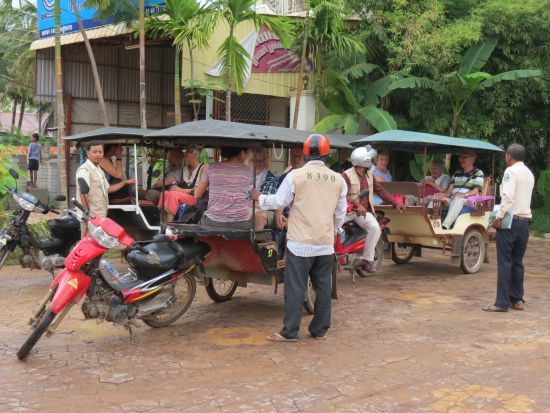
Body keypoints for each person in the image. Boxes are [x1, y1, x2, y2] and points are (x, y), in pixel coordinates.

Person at [251, 134, 347, 342]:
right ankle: (319, 330)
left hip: (299, 243)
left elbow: (280, 200)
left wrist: (260, 198)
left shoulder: (296, 176)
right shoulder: (338, 179)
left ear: (305, 154)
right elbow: (340, 213)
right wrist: (334, 231)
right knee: (323, 288)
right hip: (324, 244)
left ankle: (290, 331)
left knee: (295, 287)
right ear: (326, 154)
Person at [483, 144, 534, 312]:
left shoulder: (510, 172)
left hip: (510, 222)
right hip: (524, 222)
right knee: (517, 262)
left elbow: (508, 198)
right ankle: (517, 299)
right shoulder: (529, 173)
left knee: (505, 262)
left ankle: (501, 303)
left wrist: (498, 217)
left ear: (509, 156)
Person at [342, 146, 406, 273]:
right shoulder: (346, 175)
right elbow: (343, 195)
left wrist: (395, 203)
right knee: (334, 227)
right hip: (347, 211)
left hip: (363, 213)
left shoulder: (370, 175)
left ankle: (367, 260)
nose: (362, 169)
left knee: (375, 228)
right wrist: (356, 205)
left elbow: (380, 191)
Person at [75, 141, 135, 234]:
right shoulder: (84, 170)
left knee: (99, 245)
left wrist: (124, 182)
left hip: (100, 214)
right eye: (94, 152)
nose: (98, 155)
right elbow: (83, 192)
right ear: (88, 153)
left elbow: (108, 189)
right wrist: (88, 214)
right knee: (90, 244)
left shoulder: (99, 170)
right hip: (91, 216)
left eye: (100, 152)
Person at [194, 146, 252, 229]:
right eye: (248, 152)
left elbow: (197, 195)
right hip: (242, 223)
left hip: (213, 222)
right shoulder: (248, 171)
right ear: (242, 153)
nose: (248, 155)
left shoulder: (210, 167)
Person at [435, 149, 484, 230]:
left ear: (472, 159)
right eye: (460, 158)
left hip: (470, 201)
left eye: (464, 157)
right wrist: (443, 195)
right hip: (454, 198)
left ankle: (445, 226)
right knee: (436, 199)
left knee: (458, 199)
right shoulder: (456, 173)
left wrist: (464, 195)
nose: (461, 160)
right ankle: (431, 225)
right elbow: (449, 191)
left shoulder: (478, 173)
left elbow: (476, 191)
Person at [158, 145, 205, 221]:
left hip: (196, 198)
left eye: (187, 151)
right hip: (183, 195)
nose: (184, 153)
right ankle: (160, 221)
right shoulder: (185, 168)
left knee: (173, 195)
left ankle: (169, 224)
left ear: (194, 154)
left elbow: (199, 192)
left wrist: (181, 190)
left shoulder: (203, 168)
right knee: (164, 193)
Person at [276, 146, 305, 229]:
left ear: (305, 158)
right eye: (293, 156)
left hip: (302, 217)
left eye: (299, 156)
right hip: (285, 215)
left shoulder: (308, 178)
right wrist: (279, 214)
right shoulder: (283, 177)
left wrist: (291, 219)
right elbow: (278, 199)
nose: (296, 159)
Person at [249, 148, 278, 230]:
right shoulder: (244, 176)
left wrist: (242, 204)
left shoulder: (270, 179)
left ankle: (255, 241)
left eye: (261, 160)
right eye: (253, 160)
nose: (257, 163)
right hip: (246, 209)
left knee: (259, 216)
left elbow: (265, 204)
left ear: (267, 159)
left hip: (264, 211)